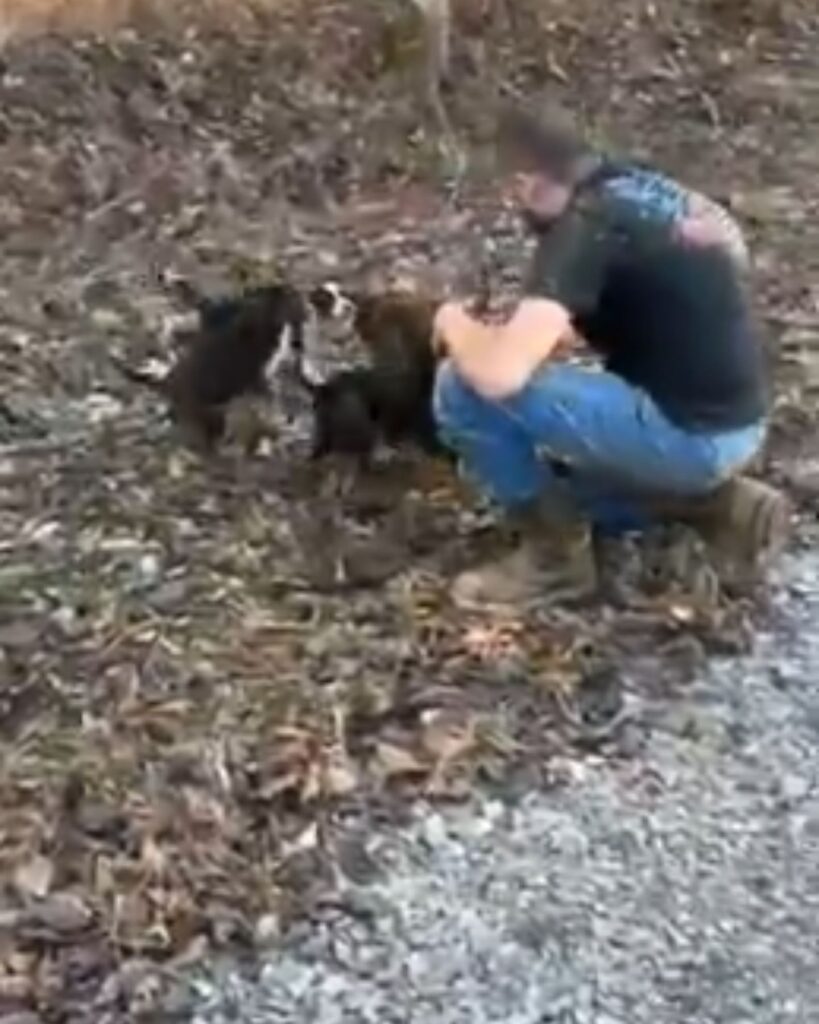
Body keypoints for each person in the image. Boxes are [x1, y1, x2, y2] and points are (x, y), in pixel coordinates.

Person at [431, 104, 790, 608]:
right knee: (576, 489)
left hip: (688, 435)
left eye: (512, 192)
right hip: (738, 421)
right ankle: (721, 506)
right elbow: (717, 261)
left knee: (459, 384)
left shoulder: (586, 225)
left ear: (528, 183)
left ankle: (556, 563)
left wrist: (452, 321)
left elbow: (498, 374)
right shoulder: (648, 191)